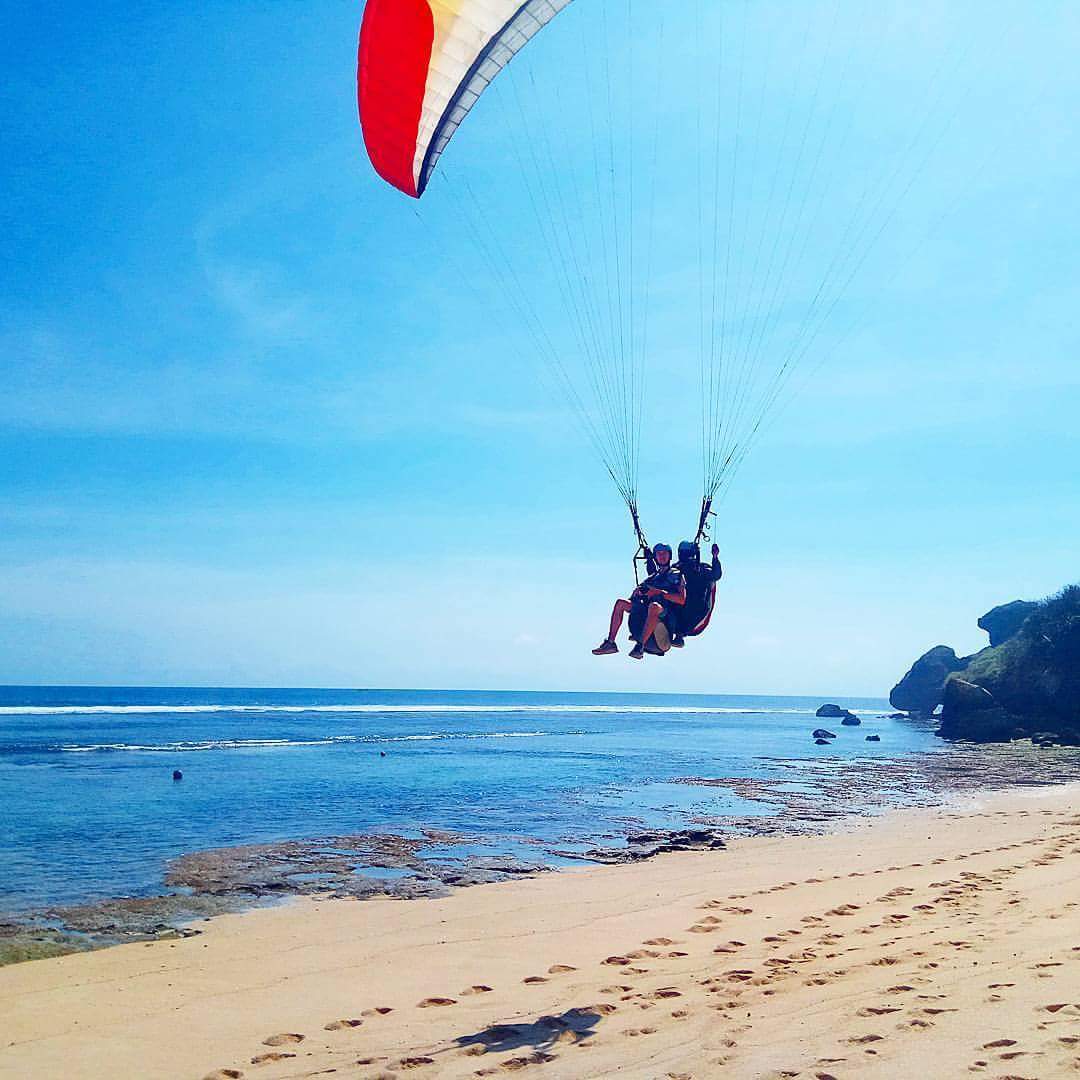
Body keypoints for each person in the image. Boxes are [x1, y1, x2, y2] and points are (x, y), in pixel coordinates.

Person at [592, 543, 686, 660]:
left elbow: (681, 600)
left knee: (654, 606)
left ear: (670, 556)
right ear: (655, 557)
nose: (661, 556)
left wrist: (659, 593)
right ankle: (610, 643)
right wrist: (638, 592)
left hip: (666, 615)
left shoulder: (677, 575)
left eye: (664, 553)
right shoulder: (652, 578)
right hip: (648, 611)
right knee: (620, 603)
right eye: (659, 554)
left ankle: (640, 646)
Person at [670, 540, 723, 647]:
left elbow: (716, 575)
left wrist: (715, 558)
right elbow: (659, 577)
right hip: (681, 606)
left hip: (696, 609)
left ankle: (679, 634)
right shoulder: (677, 569)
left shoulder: (700, 569)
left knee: (688, 603)